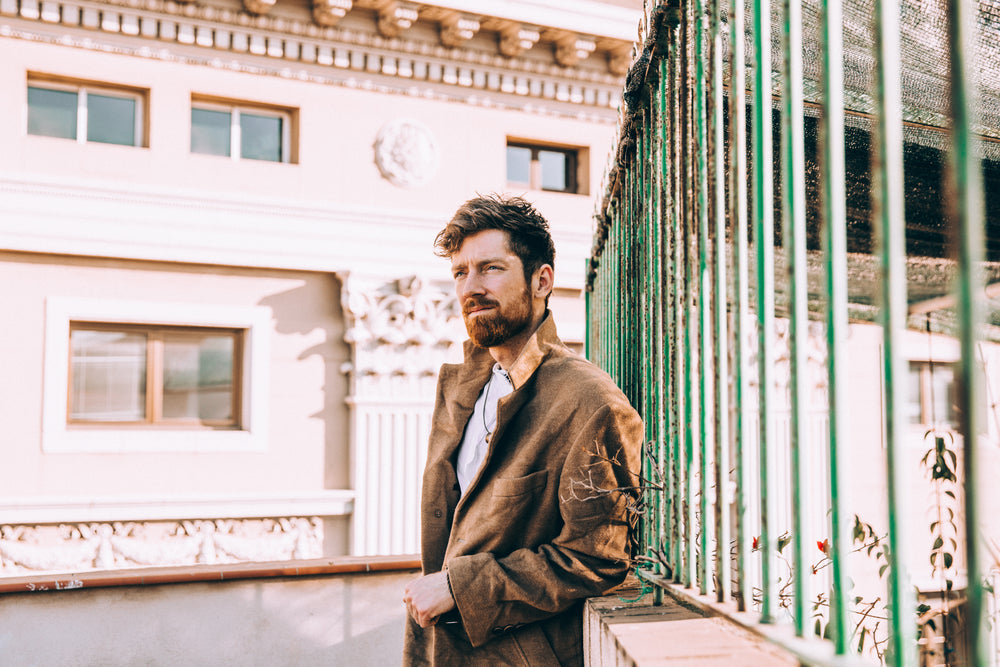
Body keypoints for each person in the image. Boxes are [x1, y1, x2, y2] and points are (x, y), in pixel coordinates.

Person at [402, 194, 643, 666]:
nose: (471, 287)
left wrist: (459, 586)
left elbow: (600, 559)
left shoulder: (589, 402)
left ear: (542, 280)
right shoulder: (462, 386)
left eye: (490, 268)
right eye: (460, 272)